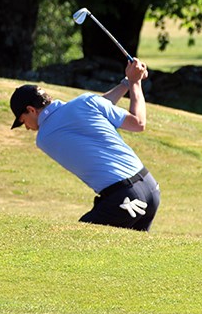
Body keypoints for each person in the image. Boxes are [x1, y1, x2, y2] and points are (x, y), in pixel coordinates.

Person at [9, 59, 160, 231]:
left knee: (78, 243)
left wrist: (133, 81)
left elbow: (138, 123)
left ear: (31, 110)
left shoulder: (44, 138)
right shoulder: (86, 102)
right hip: (151, 187)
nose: (27, 128)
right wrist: (130, 81)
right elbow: (99, 105)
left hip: (125, 198)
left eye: (23, 121)